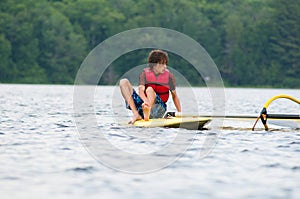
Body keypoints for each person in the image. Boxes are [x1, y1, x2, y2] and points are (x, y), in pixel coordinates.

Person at [120, 49, 181, 124]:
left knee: (149, 89)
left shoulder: (169, 77)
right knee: (123, 82)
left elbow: (174, 96)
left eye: (166, 64)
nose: (165, 66)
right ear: (154, 64)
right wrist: (146, 102)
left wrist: (180, 112)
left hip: (159, 109)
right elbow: (141, 90)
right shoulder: (144, 74)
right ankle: (136, 114)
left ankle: (147, 113)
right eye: (162, 64)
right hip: (143, 107)